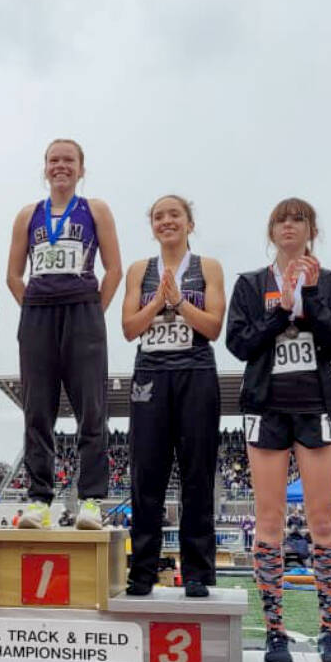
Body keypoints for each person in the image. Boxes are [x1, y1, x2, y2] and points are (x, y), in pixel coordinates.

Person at [226, 198, 331, 662]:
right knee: (269, 522)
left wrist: (312, 298)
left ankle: (329, 632)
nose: (289, 226)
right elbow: (238, 343)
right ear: (271, 229)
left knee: (323, 521)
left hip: (316, 409)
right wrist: (280, 312)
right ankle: (275, 632)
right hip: (266, 409)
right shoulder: (250, 284)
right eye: (281, 218)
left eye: (298, 219)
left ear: (311, 230)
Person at [6, 138, 122, 530]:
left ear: (81, 168)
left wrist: (92, 311)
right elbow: (13, 274)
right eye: (54, 160)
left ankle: (91, 500)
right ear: (45, 167)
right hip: (38, 314)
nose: (61, 166)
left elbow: (114, 270)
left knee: (92, 409)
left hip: (83, 311)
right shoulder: (28, 214)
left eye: (68, 160)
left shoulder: (96, 209)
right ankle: (39, 500)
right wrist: (36, 308)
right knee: (37, 410)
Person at [122, 194, 225, 598]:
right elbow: (130, 327)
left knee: (197, 474)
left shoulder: (209, 268)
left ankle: (198, 571)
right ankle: (143, 570)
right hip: (151, 371)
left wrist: (179, 301)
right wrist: (157, 303)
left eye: (175, 215)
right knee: (146, 474)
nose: (167, 221)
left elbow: (214, 326)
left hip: (196, 369)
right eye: (159, 216)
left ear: (189, 223)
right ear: (152, 226)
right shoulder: (139, 270)